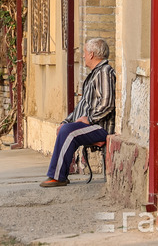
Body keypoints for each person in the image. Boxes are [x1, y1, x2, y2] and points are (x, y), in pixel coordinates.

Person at [40, 37, 116, 187]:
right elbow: (82, 106)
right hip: (91, 124)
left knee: (69, 132)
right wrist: (67, 121)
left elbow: (107, 103)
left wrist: (90, 119)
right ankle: (58, 174)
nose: (83, 56)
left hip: (100, 127)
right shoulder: (95, 73)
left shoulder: (104, 72)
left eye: (85, 53)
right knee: (65, 128)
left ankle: (58, 177)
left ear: (92, 54)